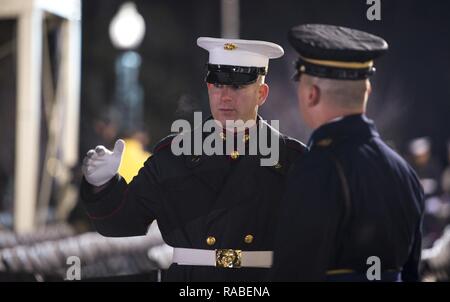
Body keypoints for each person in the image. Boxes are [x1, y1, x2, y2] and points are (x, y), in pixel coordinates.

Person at [80, 37, 307, 281]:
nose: (225, 97)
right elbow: (122, 222)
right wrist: (103, 185)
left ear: (261, 93)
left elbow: (313, 240)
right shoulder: (175, 154)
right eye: (217, 85)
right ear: (209, 87)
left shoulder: (292, 159)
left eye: (238, 87)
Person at [270, 24, 424, 281]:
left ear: (311, 94)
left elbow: (293, 271)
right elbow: (411, 272)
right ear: (368, 91)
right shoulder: (404, 170)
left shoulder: (319, 167)